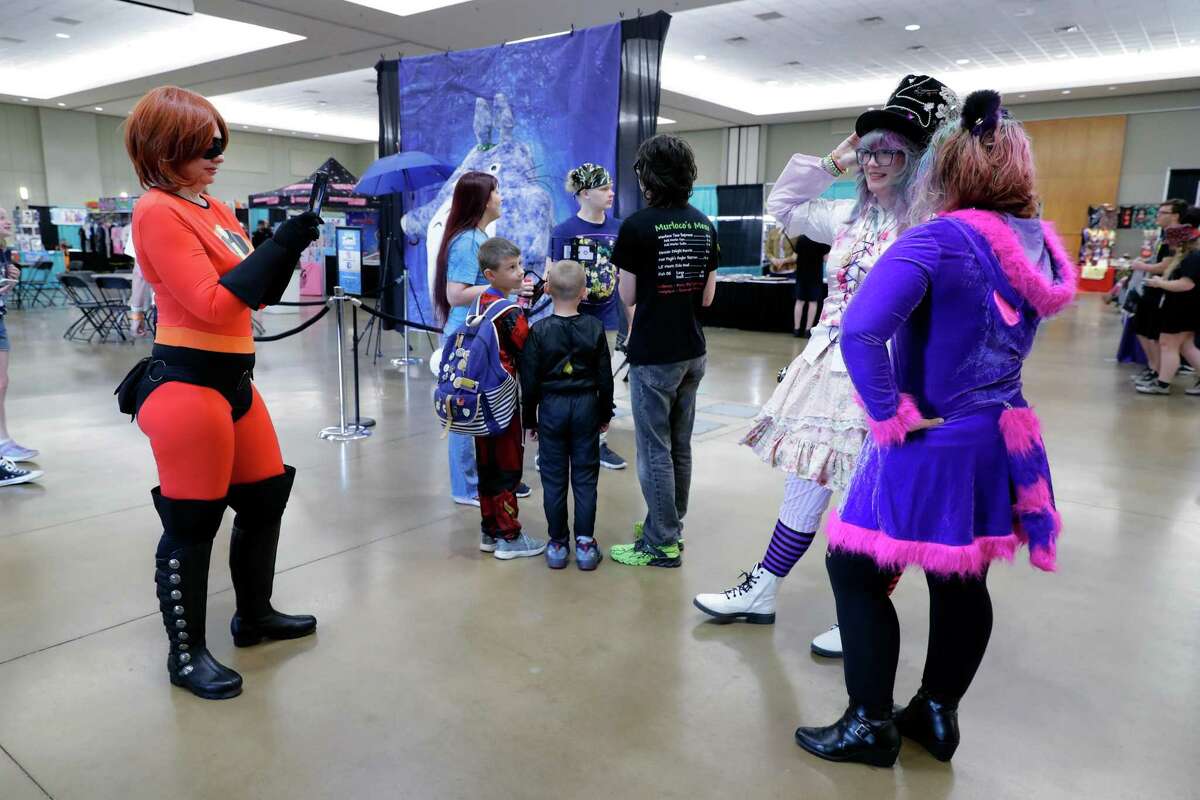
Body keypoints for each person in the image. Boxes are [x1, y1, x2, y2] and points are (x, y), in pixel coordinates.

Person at [793, 89, 1076, 767]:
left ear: (944, 170)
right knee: (961, 576)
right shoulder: (1035, 244)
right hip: (998, 435)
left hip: (929, 437)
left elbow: (861, 330)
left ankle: (869, 723)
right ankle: (936, 713)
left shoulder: (938, 239)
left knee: (852, 566)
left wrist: (889, 413)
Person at [694, 75, 956, 659]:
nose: (876, 162)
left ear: (916, 158)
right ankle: (763, 587)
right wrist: (838, 157)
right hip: (827, 368)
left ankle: (863, 611)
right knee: (806, 480)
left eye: (890, 151)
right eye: (869, 151)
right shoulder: (847, 216)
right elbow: (781, 207)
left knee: (874, 496)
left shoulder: (930, 224)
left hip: (889, 372)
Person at [122, 86, 321, 700]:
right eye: (201, 145)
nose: (216, 154)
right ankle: (185, 656)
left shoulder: (210, 206)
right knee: (193, 522)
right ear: (164, 148)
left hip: (235, 381)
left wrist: (286, 245)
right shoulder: (157, 210)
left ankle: (253, 615)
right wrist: (284, 244)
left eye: (218, 143)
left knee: (264, 497)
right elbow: (211, 302)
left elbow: (251, 288)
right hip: (187, 384)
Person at [608, 134, 719, 568]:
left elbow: (630, 295)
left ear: (647, 175)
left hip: (654, 353)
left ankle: (660, 542)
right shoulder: (703, 225)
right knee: (679, 445)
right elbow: (707, 298)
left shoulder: (637, 226)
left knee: (653, 447)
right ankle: (669, 525)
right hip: (693, 350)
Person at [435, 172, 532, 507]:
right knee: (463, 408)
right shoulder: (467, 242)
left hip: (483, 338)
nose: (501, 197)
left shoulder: (478, 238)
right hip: (469, 341)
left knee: (483, 407)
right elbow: (456, 294)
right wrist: (505, 288)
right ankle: (466, 486)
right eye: (496, 192)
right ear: (482, 199)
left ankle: (485, 479)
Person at [520, 260, 614, 570]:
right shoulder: (595, 327)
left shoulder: (539, 331)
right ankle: (586, 545)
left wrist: (529, 420)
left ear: (546, 289)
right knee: (585, 478)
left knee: (554, 479)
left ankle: (557, 544)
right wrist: (605, 413)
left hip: (552, 409)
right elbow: (605, 378)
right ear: (585, 293)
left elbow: (529, 382)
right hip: (586, 407)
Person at [470, 237, 546, 559]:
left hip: (479, 402)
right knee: (508, 467)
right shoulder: (509, 311)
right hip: (503, 401)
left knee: (486, 465)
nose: (519, 273)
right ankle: (509, 536)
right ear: (490, 274)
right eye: (511, 268)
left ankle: (489, 530)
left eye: (519, 265)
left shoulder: (481, 303)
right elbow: (526, 347)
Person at [548, 163, 627, 470]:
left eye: (611, 186)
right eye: (604, 188)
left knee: (600, 383)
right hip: (570, 321)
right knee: (564, 381)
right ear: (584, 193)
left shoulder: (619, 229)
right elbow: (552, 274)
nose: (611, 193)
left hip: (606, 321)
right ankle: (554, 446)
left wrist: (631, 323)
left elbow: (626, 276)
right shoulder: (564, 231)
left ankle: (598, 443)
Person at [0, 210, 42, 486]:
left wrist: (9, 279)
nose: (7, 221)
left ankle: (3, 442)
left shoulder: (4, 252)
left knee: (1, 382)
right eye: (0, 217)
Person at [1139, 208, 1200, 395]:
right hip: (1183, 307)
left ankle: (1162, 384)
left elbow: (1187, 284)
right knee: (1186, 346)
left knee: (1168, 344)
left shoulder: (1192, 258)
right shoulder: (1187, 257)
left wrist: (1161, 284)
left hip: (1182, 308)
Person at [1129, 199, 1188, 385]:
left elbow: (1167, 265)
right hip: (1153, 287)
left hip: (1162, 290)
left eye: (1163, 212)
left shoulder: (1177, 236)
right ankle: (1153, 367)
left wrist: (1142, 265)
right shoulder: (1166, 235)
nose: (1159, 216)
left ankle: (1157, 371)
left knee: (1153, 333)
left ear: (1175, 215)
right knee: (1142, 329)